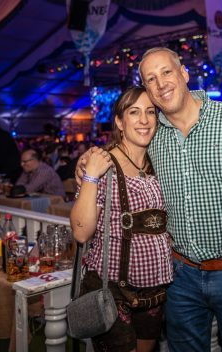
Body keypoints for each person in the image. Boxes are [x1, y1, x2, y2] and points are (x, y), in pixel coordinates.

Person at [77, 47, 222, 352]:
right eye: (150, 79)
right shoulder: (153, 135)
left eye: (166, 72)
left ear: (184, 73)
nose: (160, 83)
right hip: (179, 279)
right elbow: (120, 153)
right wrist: (85, 160)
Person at [70, 87, 172, 352]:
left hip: (156, 288)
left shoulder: (160, 160)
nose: (144, 120)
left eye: (151, 112)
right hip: (111, 287)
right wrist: (90, 174)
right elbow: (81, 233)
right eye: (134, 112)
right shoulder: (102, 163)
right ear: (119, 121)